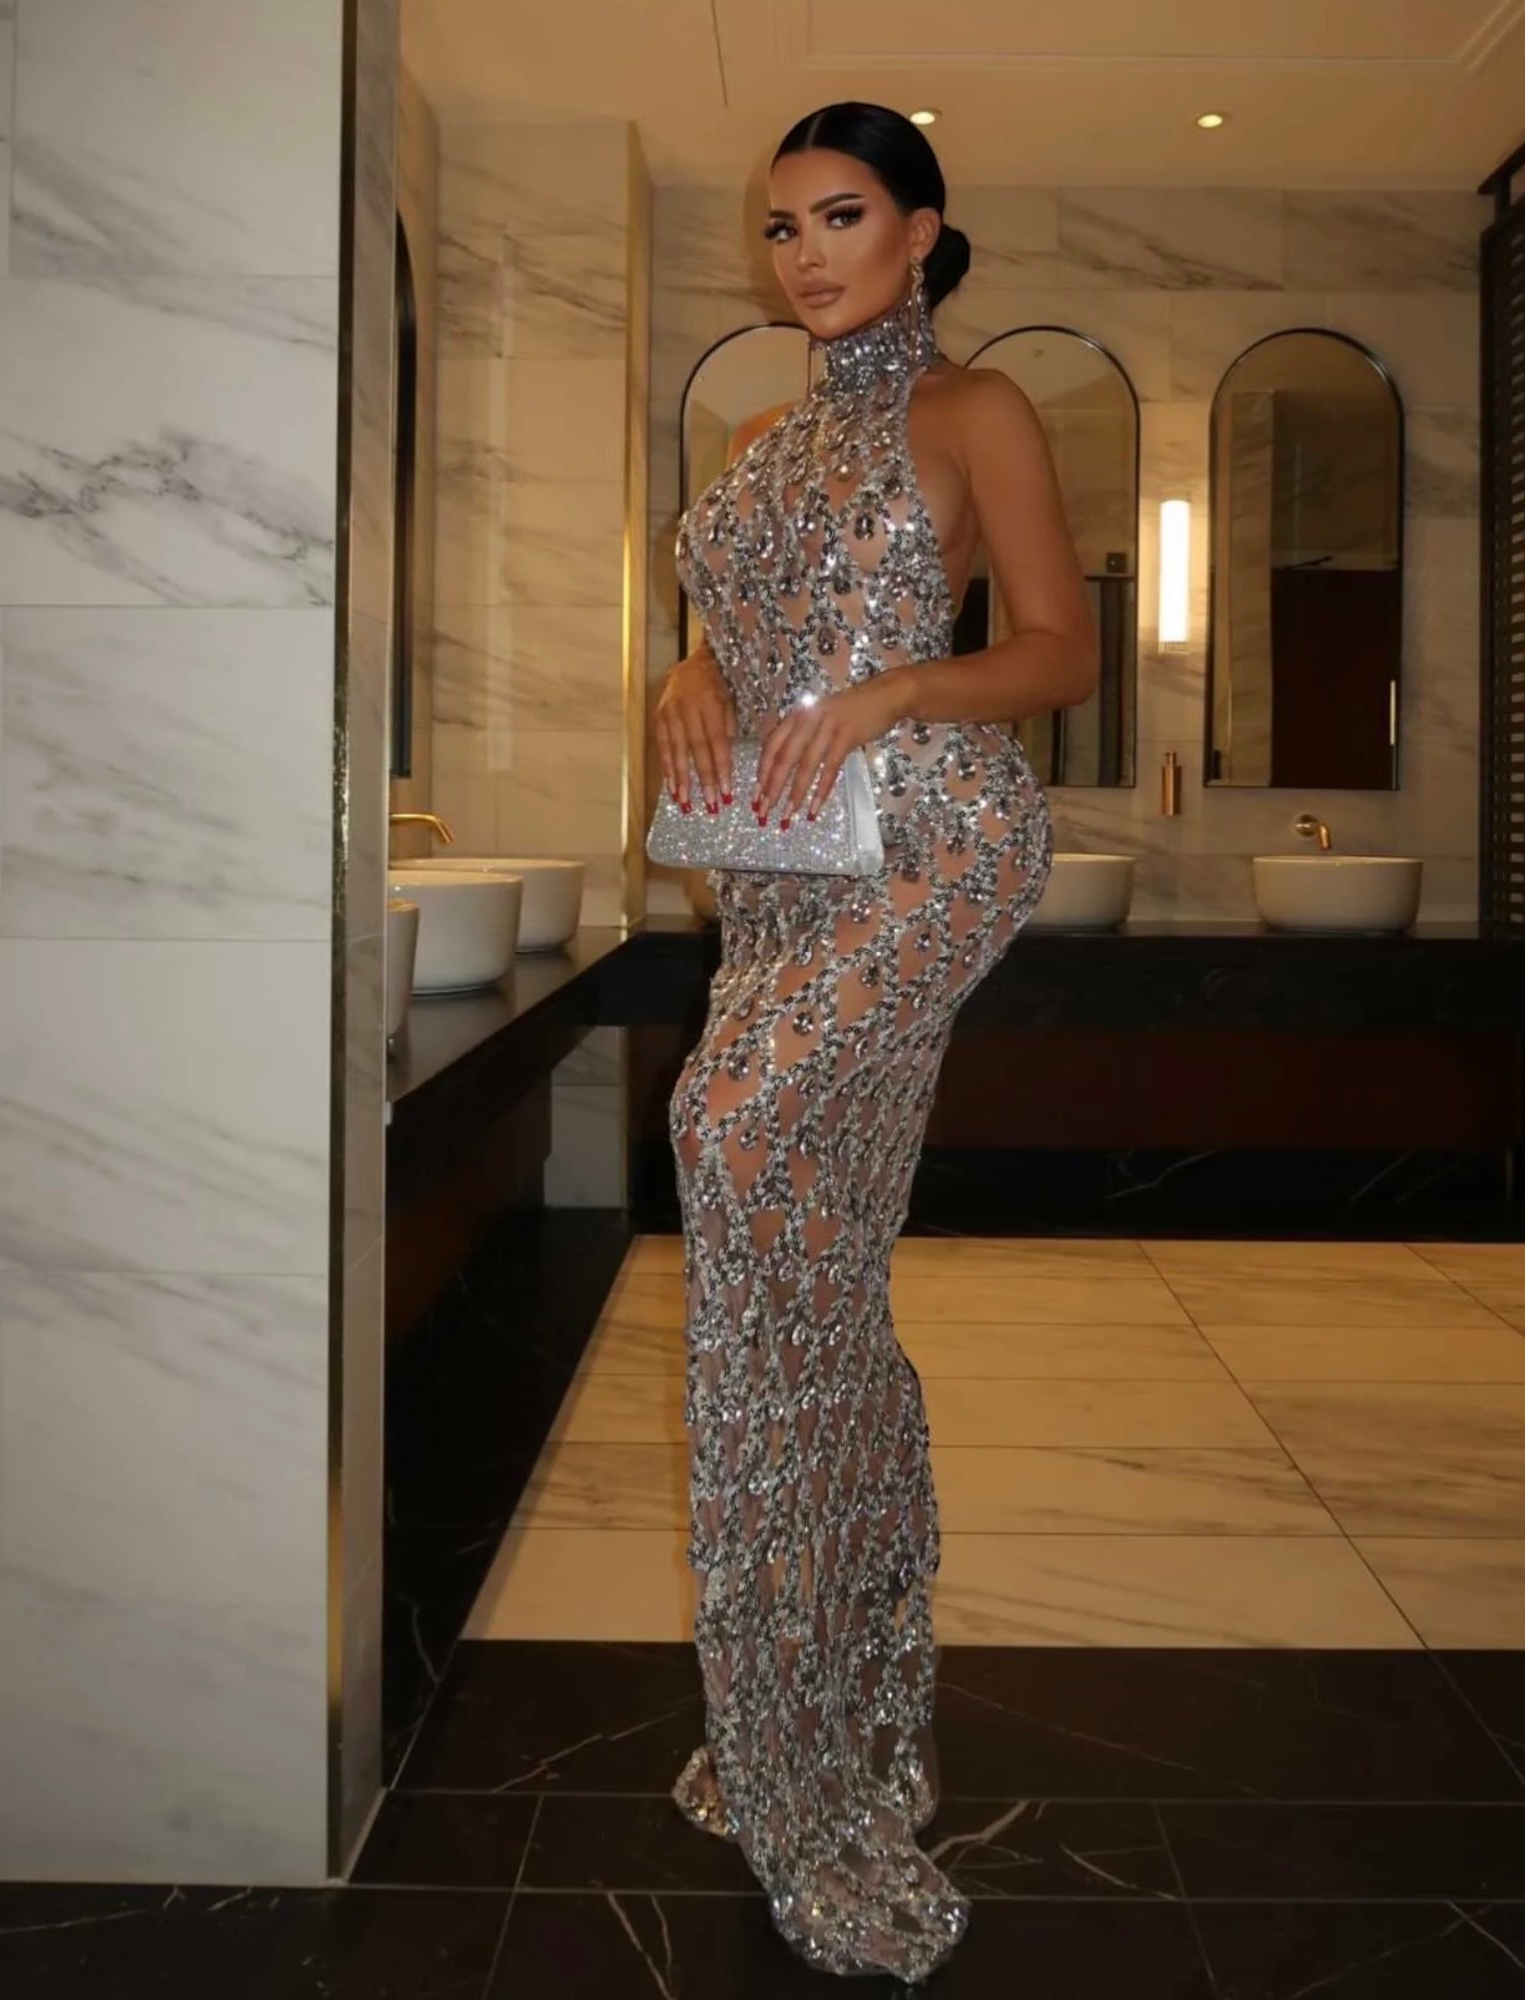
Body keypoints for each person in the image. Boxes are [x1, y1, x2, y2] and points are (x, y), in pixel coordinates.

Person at [654, 101, 1098, 1983]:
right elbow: (731, 646)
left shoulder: (977, 409)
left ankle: (818, 1713)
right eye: (779, 228)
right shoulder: (757, 443)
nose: (804, 254)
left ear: (920, 231)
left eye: (840, 217)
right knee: (810, 1270)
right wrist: (683, 666)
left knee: (720, 1126)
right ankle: (833, 1692)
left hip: (933, 839)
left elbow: (1064, 650)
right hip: (781, 866)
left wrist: (909, 676)